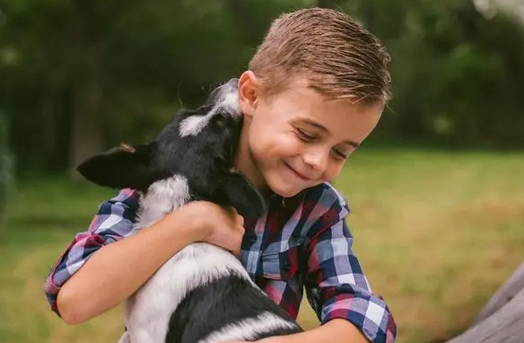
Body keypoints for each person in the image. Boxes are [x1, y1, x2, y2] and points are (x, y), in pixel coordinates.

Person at [44, 7, 396, 343]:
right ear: (252, 95)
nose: (318, 162)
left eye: (340, 152)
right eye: (306, 134)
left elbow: (367, 317)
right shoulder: (166, 180)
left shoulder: (315, 208)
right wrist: (193, 222)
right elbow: (74, 299)